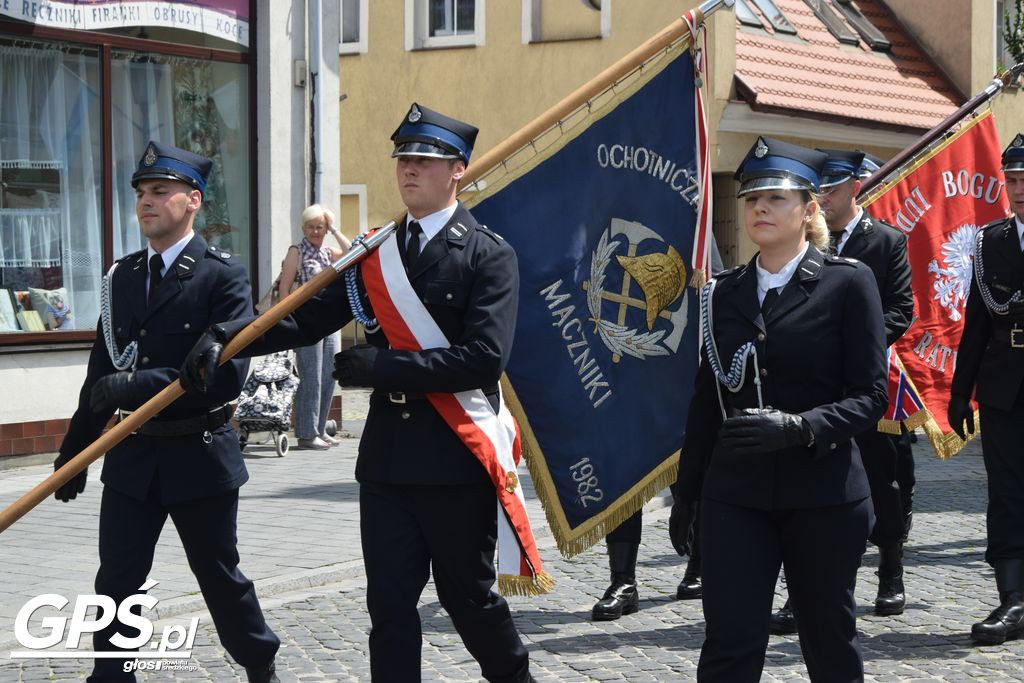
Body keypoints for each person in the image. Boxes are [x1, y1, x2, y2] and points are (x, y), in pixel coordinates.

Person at [179, 103, 535, 682]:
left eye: (425, 159)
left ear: (457, 171)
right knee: (389, 610)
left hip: (455, 456)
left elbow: (483, 358)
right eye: (404, 159)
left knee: (468, 602)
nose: (410, 169)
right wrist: (230, 336)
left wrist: (383, 366)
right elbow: (304, 318)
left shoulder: (488, 254)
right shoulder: (376, 252)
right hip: (388, 462)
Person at [51, 141, 280, 683]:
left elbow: (224, 376)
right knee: (117, 580)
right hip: (133, 454)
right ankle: (111, 676)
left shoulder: (222, 276)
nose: (145, 202)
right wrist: (74, 456)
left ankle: (259, 663)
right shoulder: (123, 277)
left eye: (159, 191)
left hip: (198, 453)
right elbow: (97, 378)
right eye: (140, 193)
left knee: (219, 575)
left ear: (193, 200)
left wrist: (133, 383)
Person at [669, 137, 888, 681]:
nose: (760, 208)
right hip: (736, 495)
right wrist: (688, 493)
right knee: (729, 642)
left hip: (823, 495)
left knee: (827, 638)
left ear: (810, 208)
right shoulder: (723, 292)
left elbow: (871, 395)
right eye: (751, 199)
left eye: (776, 197)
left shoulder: (847, 283)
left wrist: (800, 428)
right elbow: (707, 401)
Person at [766, 148, 914, 634]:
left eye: (831, 187)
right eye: (818, 189)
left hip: (863, 382)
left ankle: (889, 564)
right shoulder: (803, 242)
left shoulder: (886, 241)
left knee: (881, 475)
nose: (823, 197)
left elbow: (901, 309)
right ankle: (800, 588)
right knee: (806, 484)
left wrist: (855, 344)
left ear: (855, 186)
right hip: (812, 389)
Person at [590, 235, 726, 621]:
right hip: (619, 362)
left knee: (690, 464)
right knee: (621, 470)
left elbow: (711, 288)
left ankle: (698, 563)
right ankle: (623, 581)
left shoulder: (693, 214)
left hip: (677, 364)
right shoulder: (601, 203)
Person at [948, 133, 1024, 645]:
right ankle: (1013, 600)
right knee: (1007, 493)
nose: (1019, 190)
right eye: (1013, 180)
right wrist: (959, 392)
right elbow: (975, 324)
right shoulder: (988, 242)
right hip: (1005, 386)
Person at [278, 204, 350, 450]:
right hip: (306, 322)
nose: (316, 231)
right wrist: (291, 321)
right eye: (311, 227)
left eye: (320, 227)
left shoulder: (328, 253)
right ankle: (307, 434)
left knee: (329, 375)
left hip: (329, 321)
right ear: (303, 228)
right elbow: (285, 291)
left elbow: (354, 253)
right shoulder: (296, 252)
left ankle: (320, 430)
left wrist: (335, 229)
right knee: (310, 378)